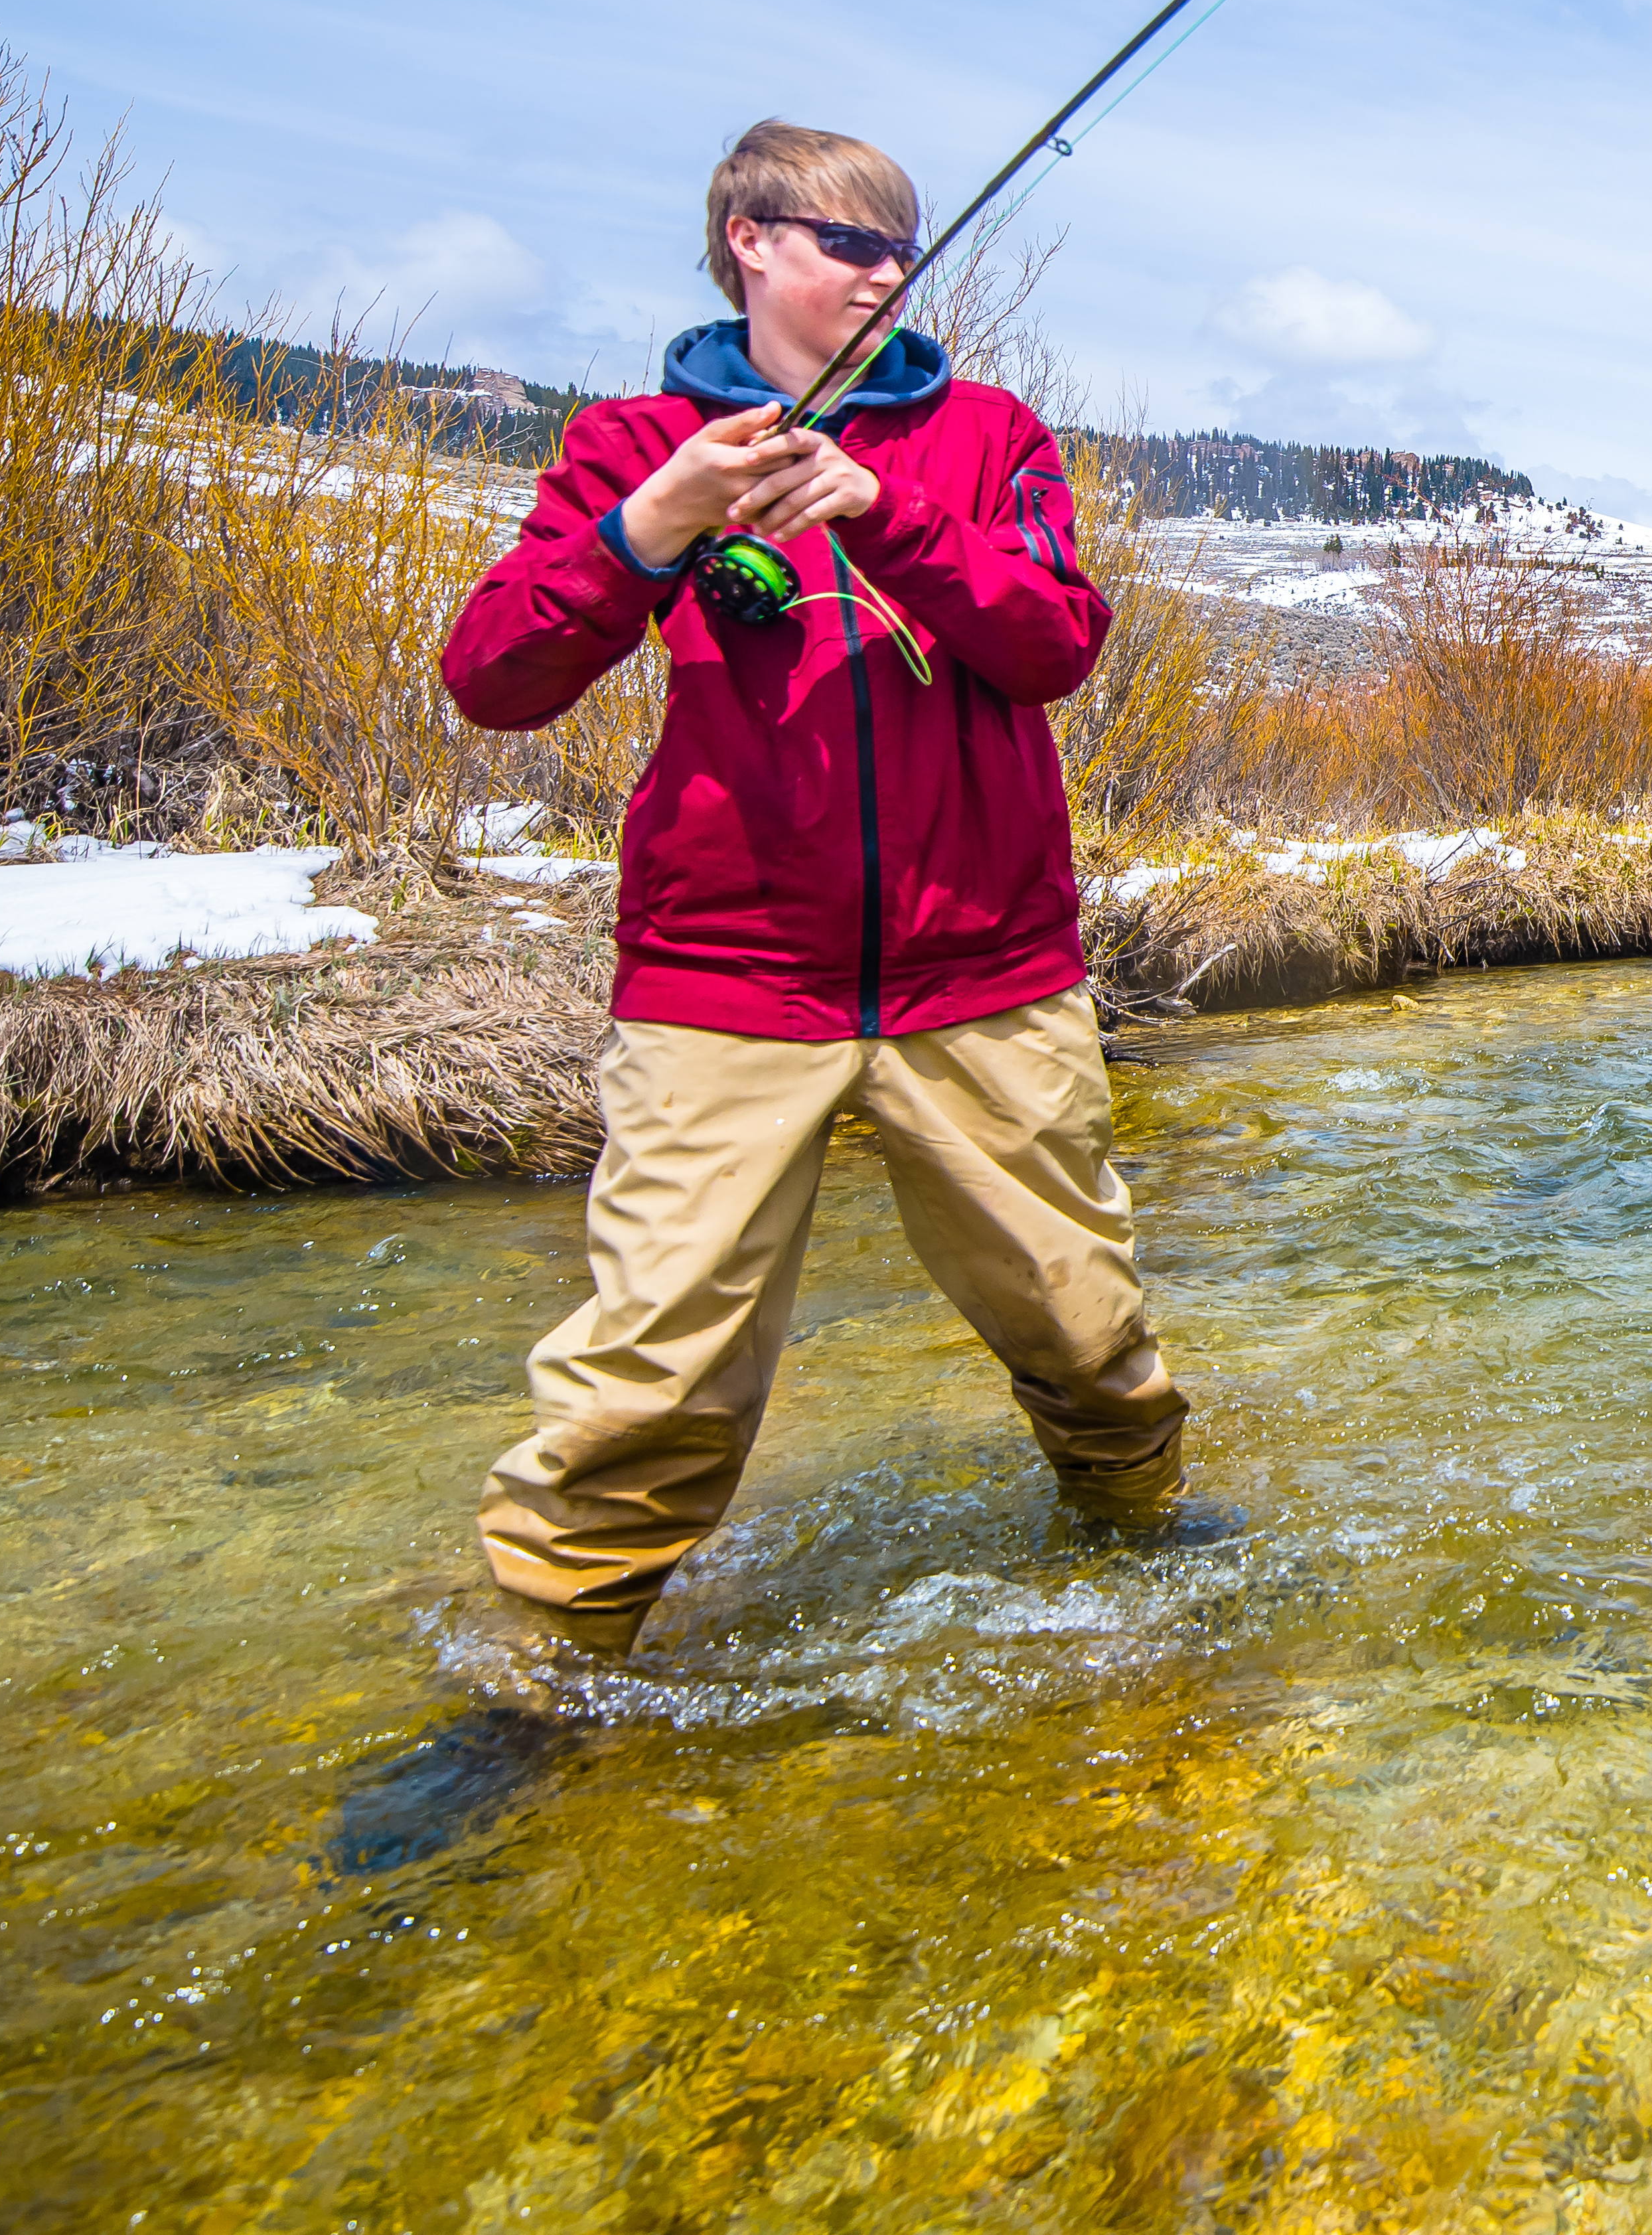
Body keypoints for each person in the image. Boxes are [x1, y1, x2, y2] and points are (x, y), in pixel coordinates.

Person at [438, 118, 1188, 1657]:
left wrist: (878, 511)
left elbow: (1053, 640)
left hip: (988, 974)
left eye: (902, 246)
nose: (886, 271)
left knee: (1087, 1335)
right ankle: (533, 1688)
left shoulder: (990, 436)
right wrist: (654, 523)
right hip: (723, 978)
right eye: (851, 242)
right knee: (648, 1379)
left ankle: (1138, 1550)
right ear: (751, 243)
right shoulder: (628, 446)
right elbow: (495, 678)